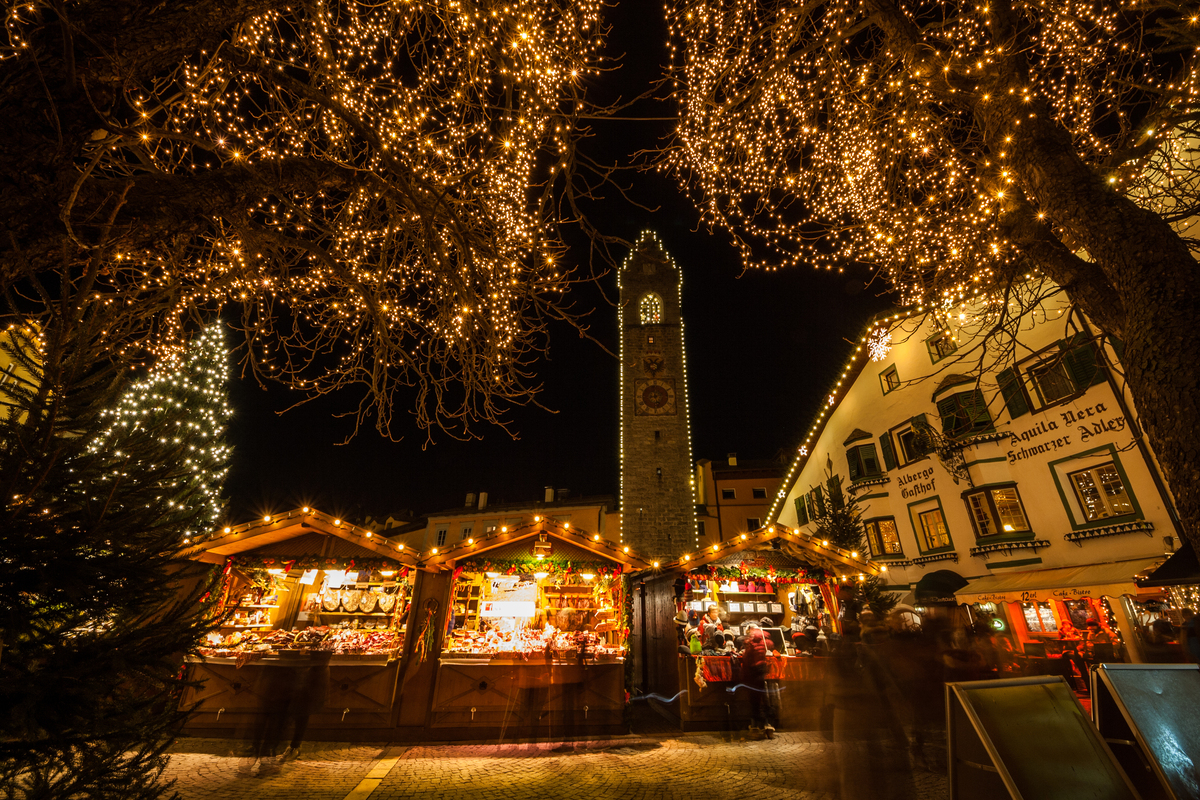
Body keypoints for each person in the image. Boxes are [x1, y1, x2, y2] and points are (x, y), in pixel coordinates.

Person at [739, 621, 776, 739]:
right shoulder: (766, 640)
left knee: (754, 700)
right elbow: (771, 648)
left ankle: (755, 727)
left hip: (753, 671)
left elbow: (747, 658)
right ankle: (767, 725)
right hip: (764, 670)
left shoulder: (750, 641)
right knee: (765, 699)